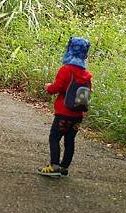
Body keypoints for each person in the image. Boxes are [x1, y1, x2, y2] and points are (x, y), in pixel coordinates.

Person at [38, 36, 93, 177]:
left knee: (54, 138)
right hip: (77, 116)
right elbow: (88, 92)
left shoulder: (66, 70)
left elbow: (55, 88)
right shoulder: (86, 75)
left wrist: (48, 87)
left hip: (63, 113)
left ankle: (54, 166)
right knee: (70, 140)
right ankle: (64, 167)